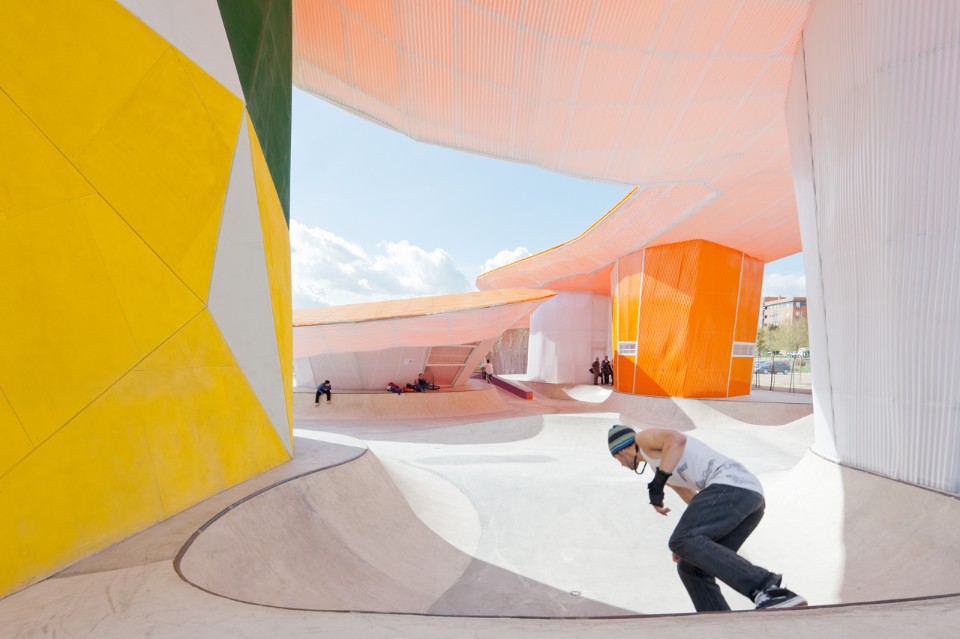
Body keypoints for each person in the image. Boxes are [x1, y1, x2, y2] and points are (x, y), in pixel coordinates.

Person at [607, 424, 806, 612]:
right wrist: (692, 547)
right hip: (748, 498)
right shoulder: (661, 466)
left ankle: (768, 588)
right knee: (690, 567)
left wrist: (658, 484)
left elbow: (677, 439)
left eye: (617, 460)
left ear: (620, 452)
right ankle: (720, 623)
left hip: (732, 486)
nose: (621, 465)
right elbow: (692, 499)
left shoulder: (643, 439)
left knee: (681, 540)